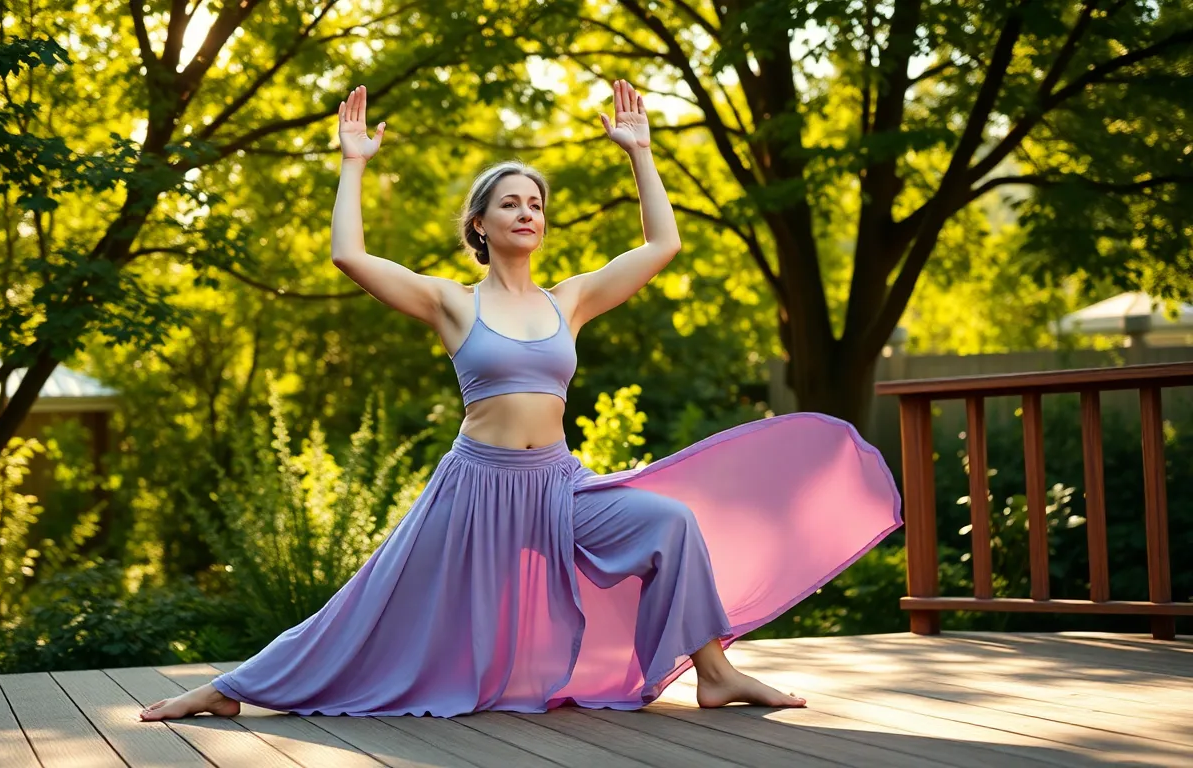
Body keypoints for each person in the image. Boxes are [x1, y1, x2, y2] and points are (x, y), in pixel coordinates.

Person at [139, 81, 900, 721]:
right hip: (474, 490)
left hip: (561, 489)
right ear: (481, 224)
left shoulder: (569, 300)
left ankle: (715, 671)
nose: (528, 212)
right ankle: (228, 688)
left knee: (669, 522)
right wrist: (352, 165)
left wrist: (641, 153)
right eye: (510, 203)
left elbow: (661, 246)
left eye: (536, 202)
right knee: (372, 602)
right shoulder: (452, 304)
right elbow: (348, 255)